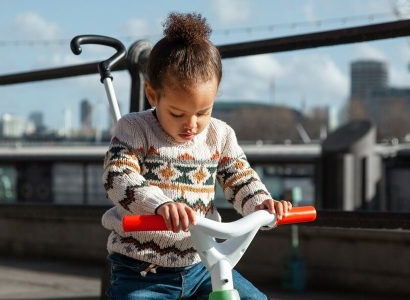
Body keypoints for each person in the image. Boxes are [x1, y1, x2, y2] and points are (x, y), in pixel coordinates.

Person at [101, 12, 292, 300]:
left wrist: (261, 204)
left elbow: (240, 177)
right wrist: (160, 204)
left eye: (203, 112)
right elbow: (118, 177)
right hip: (142, 269)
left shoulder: (220, 135)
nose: (191, 124)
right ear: (152, 95)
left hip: (202, 263)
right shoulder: (134, 129)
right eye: (177, 113)